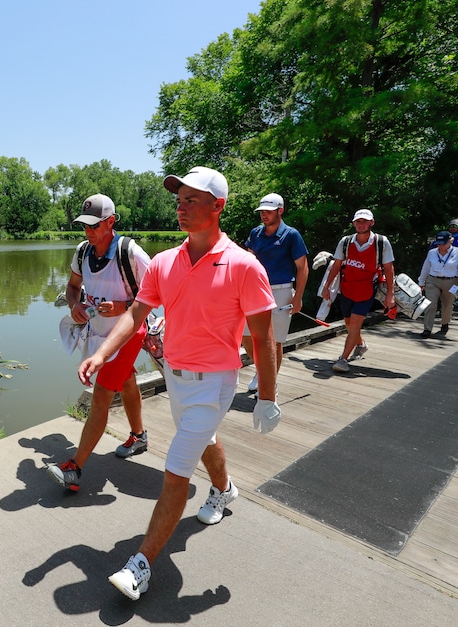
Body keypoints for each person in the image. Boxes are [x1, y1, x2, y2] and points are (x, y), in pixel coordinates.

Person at [76, 167, 280, 601]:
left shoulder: (245, 265)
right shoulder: (165, 262)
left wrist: (266, 397)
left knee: (174, 472)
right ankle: (225, 490)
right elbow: (134, 315)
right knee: (203, 440)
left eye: (191, 200)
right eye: (179, 199)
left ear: (218, 206)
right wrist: (101, 353)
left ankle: (141, 564)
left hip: (216, 382)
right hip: (176, 377)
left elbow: (262, 338)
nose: (181, 207)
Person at [46, 193, 152, 492]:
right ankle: (139, 435)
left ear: (111, 222)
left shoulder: (131, 254)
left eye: (94, 225)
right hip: (98, 334)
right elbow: (71, 286)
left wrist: (124, 306)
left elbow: (157, 296)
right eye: (84, 225)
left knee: (102, 395)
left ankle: (75, 467)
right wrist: (74, 305)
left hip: (129, 334)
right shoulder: (82, 252)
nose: (88, 231)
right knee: (128, 381)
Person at [241, 193, 309, 394]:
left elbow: (302, 268)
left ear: (280, 210)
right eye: (262, 211)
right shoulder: (256, 233)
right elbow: (248, 260)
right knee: (246, 336)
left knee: (275, 340)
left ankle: (269, 381)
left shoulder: (291, 235)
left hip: (281, 291)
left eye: (268, 211)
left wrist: (298, 298)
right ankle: (265, 371)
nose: (264, 215)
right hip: (255, 291)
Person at [321, 209, 396, 374]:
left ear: (372, 223)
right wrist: (326, 287)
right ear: (354, 223)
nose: (361, 225)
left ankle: (343, 359)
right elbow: (337, 264)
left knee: (355, 324)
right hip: (347, 289)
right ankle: (361, 345)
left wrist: (390, 294)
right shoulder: (346, 242)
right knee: (349, 324)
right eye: (358, 222)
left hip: (366, 290)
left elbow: (389, 269)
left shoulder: (381, 243)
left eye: (364, 221)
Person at [418, 231, 458, 338]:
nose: (440, 246)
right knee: (431, 304)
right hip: (433, 280)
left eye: (443, 243)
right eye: (438, 243)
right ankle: (427, 329)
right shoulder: (432, 252)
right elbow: (426, 267)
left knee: (447, 305)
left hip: (451, 281)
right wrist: (421, 281)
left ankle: (445, 323)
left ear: (450, 241)